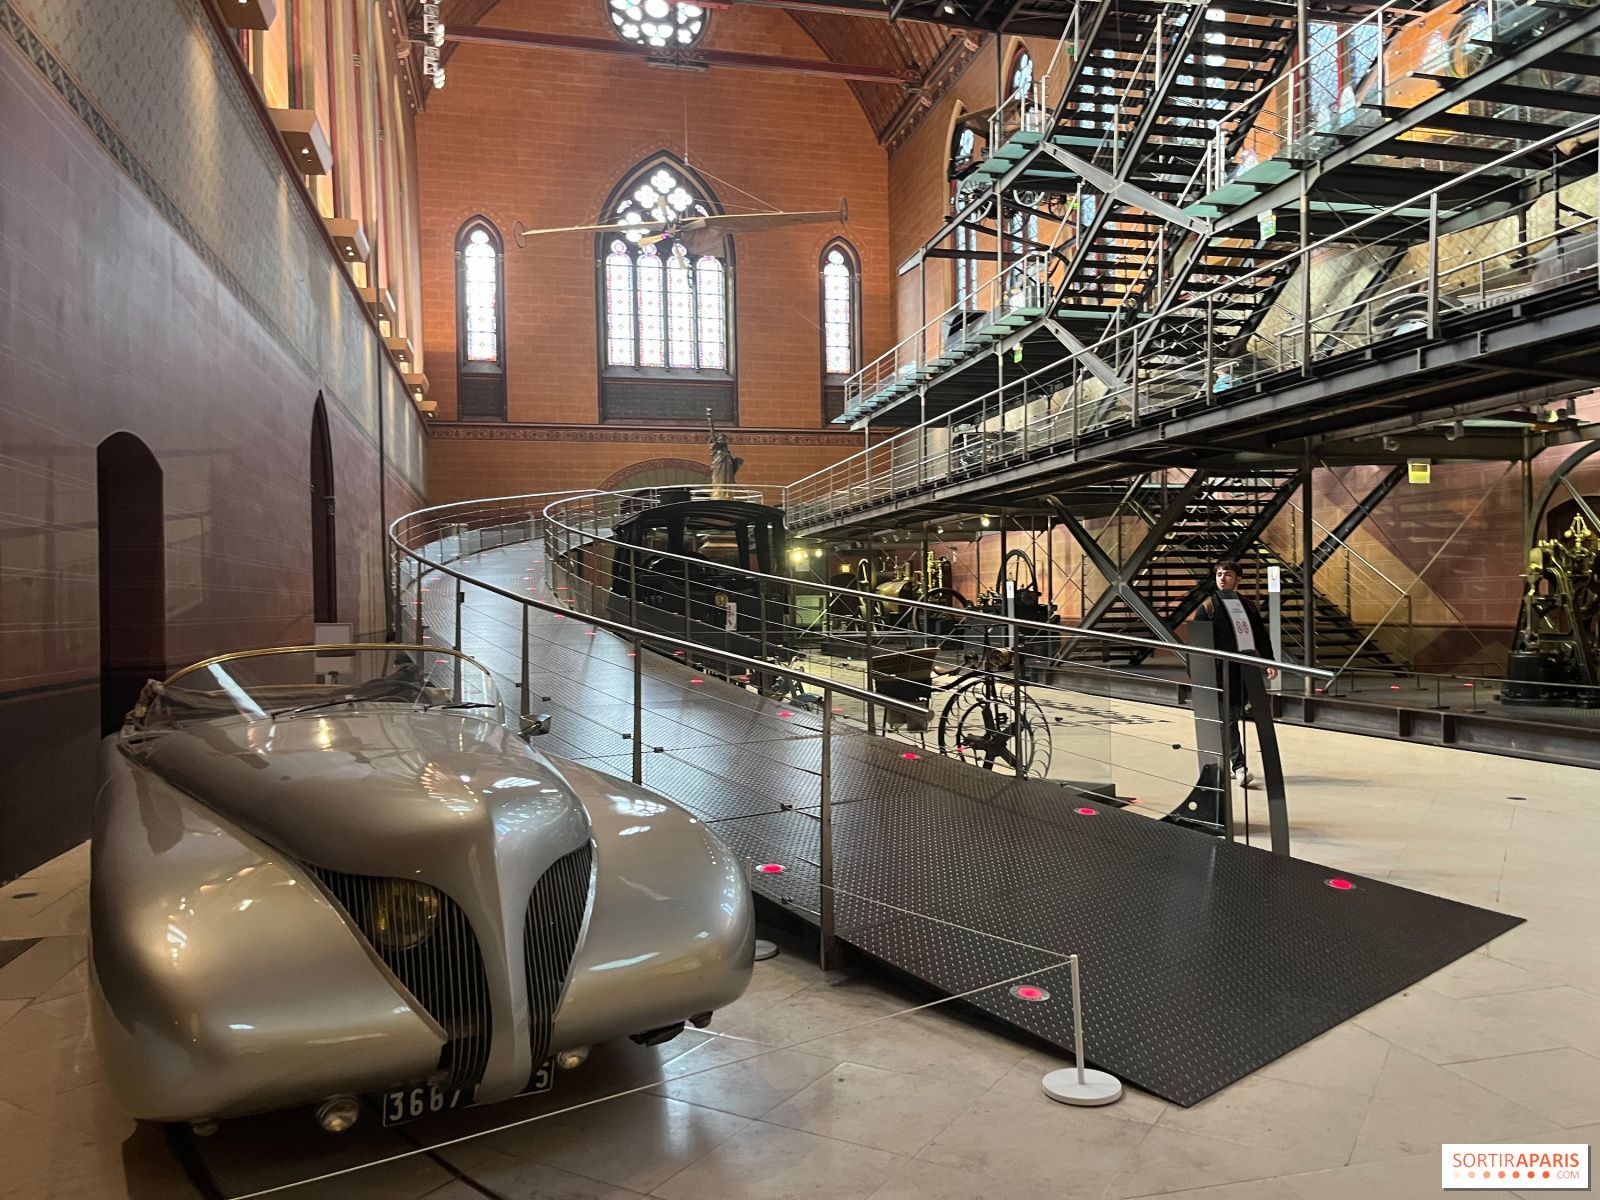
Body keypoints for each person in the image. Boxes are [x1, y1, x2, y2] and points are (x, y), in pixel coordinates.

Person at [1195, 560, 1278, 786]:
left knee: (1229, 719)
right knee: (1229, 720)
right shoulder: (1208, 608)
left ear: (1237, 579)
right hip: (1219, 673)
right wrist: (1199, 674)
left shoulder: (1248, 607)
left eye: (1228, 574)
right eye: (1219, 574)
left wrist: (1269, 662)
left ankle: (1227, 764)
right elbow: (1196, 644)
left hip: (1244, 672)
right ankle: (1239, 766)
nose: (1222, 578)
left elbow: (1260, 636)